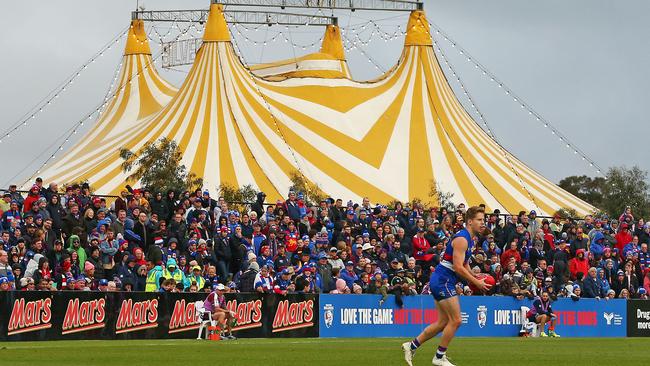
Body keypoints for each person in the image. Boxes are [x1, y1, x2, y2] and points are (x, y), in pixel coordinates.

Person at [402, 206, 491, 366]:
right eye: (479, 220)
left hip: (442, 279)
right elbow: (457, 267)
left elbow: (464, 263)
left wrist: (474, 275)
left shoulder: (469, 239)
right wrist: (475, 281)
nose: (482, 223)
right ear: (470, 221)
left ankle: (411, 345)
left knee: (443, 322)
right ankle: (439, 356)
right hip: (443, 280)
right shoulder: (463, 239)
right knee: (456, 320)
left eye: (483, 220)